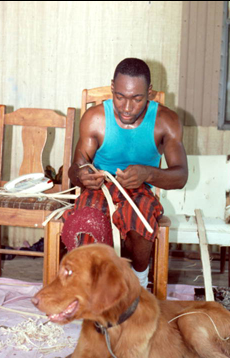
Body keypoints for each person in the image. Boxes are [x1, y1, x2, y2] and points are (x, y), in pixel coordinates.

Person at [66, 58, 188, 288]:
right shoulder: (95, 118)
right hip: (99, 188)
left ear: (149, 92)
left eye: (137, 98)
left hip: (140, 189)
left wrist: (148, 174)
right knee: (89, 219)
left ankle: (138, 283)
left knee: (139, 218)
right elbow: (75, 169)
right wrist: (82, 175)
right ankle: (94, 287)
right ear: (112, 87)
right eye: (120, 97)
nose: (126, 107)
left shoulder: (165, 121)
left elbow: (181, 176)